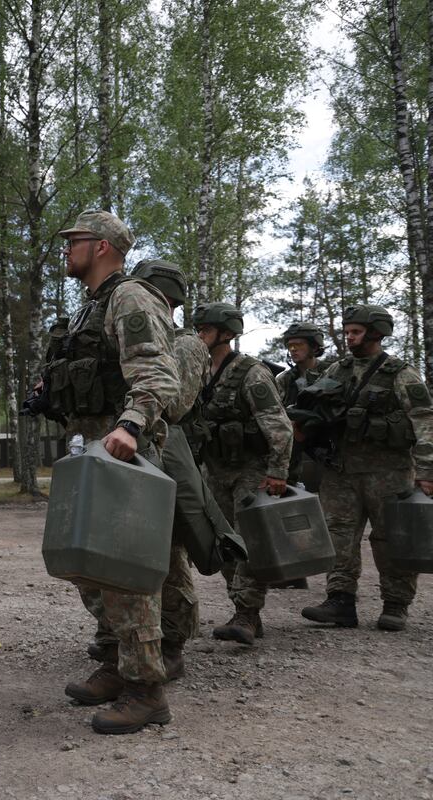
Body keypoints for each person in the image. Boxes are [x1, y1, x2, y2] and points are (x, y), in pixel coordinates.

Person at [48, 211, 181, 735]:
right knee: (91, 568)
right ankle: (115, 664)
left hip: (123, 450)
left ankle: (147, 692)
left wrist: (130, 424)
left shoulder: (131, 298)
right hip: (93, 451)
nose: (67, 249)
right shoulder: (92, 308)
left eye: (74, 241)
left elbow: (156, 373)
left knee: (124, 574)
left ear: (102, 246)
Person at [72, 260, 201, 680]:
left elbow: (175, 402)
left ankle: (167, 645)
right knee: (103, 556)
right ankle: (119, 650)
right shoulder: (105, 314)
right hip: (107, 449)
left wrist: (132, 420)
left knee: (159, 556)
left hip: (148, 451)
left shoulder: (183, 343)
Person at [300, 305, 433, 631]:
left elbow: (424, 420)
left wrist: (427, 470)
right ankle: (340, 600)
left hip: (388, 470)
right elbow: (313, 408)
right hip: (341, 469)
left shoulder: (400, 373)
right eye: (347, 331)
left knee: (390, 538)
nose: (349, 337)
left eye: (356, 332)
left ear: (376, 333)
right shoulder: (337, 371)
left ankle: (395, 604)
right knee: (338, 534)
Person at [193, 302, 293, 645]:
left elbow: (280, 427)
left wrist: (278, 471)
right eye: (199, 329)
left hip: (252, 468)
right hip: (215, 469)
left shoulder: (252, 373)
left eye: (206, 330)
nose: (200, 334)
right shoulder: (198, 370)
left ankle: (246, 613)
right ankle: (245, 610)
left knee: (247, 538)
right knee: (224, 542)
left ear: (227, 334)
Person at [276, 321, 330, 489]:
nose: (293, 349)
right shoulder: (285, 379)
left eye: (298, 344)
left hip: (326, 443)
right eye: (290, 345)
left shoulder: (331, 372)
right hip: (294, 446)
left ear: (314, 347)